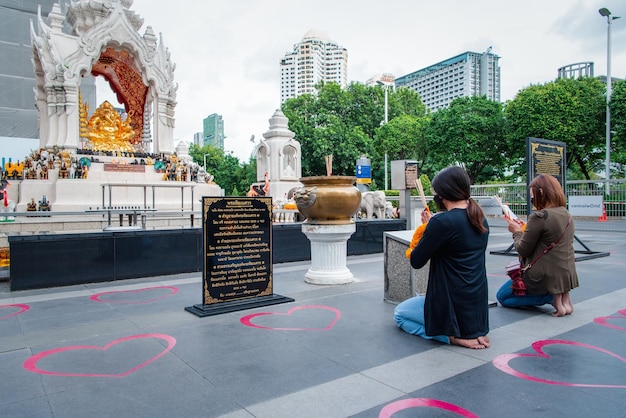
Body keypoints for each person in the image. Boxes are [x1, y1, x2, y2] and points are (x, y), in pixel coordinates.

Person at [394, 166, 491, 349]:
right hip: (476, 306)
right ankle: (469, 333)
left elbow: (416, 260)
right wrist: (433, 228)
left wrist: (426, 229)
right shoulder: (479, 218)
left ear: (443, 194)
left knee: (400, 314)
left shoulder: (442, 222)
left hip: (450, 303)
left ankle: (450, 337)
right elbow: (456, 247)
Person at [496, 174, 578, 317]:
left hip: (542, 276)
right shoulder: (566, 214)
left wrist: (516, 232)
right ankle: (561, 297)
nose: (532, 199)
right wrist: (525, 228)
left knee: (503, 297)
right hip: (564, 274)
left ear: (541, 193)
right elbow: (547, 238)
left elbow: (522, 249)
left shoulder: (540, 216)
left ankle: (549, 297)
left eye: (532, 195)